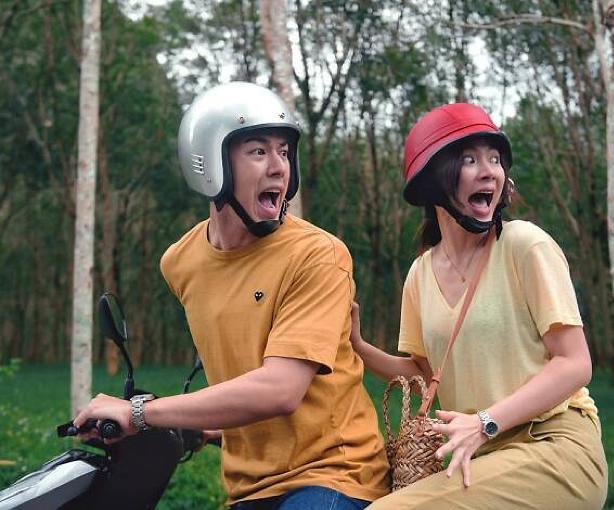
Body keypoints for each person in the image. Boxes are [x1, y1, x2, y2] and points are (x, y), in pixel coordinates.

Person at [74, 82, 389, 509]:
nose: (278, 167)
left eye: (284, 152)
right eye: (258, 152)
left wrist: (140, 413)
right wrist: (207, 428)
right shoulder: (180, 263)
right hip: (247, 485)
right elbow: (243, 369)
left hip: (333, 475)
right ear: (209, 163)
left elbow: (280, 390)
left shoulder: (317, 255)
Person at [350, 103, 608, 509]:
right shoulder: (420, 274)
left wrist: (486, 422)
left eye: (495, 159)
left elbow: (574, 363)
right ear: (432, 183)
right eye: (469, 160)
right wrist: (358, 347)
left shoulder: (525, 246)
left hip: (554, 445)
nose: (489, 171)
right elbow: (424, 372)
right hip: (479, 459)